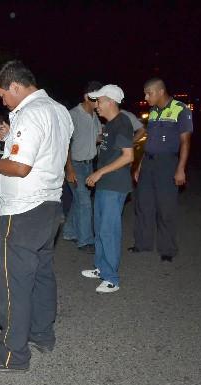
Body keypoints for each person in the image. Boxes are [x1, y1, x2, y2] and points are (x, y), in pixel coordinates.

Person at [0, 60, 73, 372]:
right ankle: (42, 334)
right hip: (50, 205)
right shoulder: (59, 110)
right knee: (42, 274)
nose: (2, 101)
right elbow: (42, 153)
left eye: (3, 95)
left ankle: (12, 356)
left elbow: (20, 168)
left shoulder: (31, 113)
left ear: (16, 86)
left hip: (23, 210)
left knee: (12, 283)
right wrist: (9, 140)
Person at [128, 78, 193, 262]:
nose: (146, 97)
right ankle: (142, 244)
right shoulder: (153, 111)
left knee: (166, 207)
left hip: (167, 164)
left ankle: (167, 249)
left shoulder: (181, 109)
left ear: (160, 91)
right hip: (148, 162)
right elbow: (150, 140)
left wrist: (181, 169)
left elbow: (185, 141)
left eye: (148, 93)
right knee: (143, 204)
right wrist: (140, 164)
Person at [81, 85, 134, 293]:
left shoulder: (122, 123)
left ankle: (112, 278)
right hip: (105, 185)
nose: (96, 106)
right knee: (100, 228)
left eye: (99, 101)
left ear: (111, 101)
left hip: (115, 185)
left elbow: (128, 156)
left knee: (108, 231)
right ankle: (101, 268)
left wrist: (100, 172)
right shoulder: (110, 124)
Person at [62, 81, 103, 254]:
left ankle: (70, 231)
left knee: (79, 201)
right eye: (96, 99)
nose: (100, 102)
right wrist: (69, 168)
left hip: (89, 165)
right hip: (75, 165)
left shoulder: (95, 116)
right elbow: (64, 145)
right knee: (85, 202)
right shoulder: (73, 115)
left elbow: (97, 138)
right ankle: (86, 241)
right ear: (87, 96)